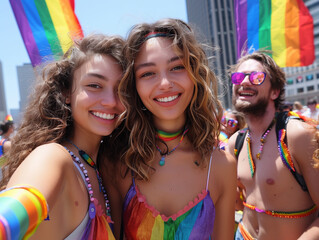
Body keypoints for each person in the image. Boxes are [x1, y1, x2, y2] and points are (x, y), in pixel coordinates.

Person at [103, 18, 237, 240]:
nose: (165, 83)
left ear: (195, 75)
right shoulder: (116, 158)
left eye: (177, 67)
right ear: (132, 85)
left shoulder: (221, 164)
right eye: (147, 73)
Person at [0, 34, 125, 239]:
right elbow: (14, 209)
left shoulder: (104, 168)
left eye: (121, 89)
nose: (111, 101)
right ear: (67, 92)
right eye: (94, 86)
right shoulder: (52, 157)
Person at [227, 51, 319, 239]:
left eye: (256, 77)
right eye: (238, 77)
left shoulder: (296, 135)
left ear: (274, 91)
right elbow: (238, 204)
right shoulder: (234, 143)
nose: (244, 82)